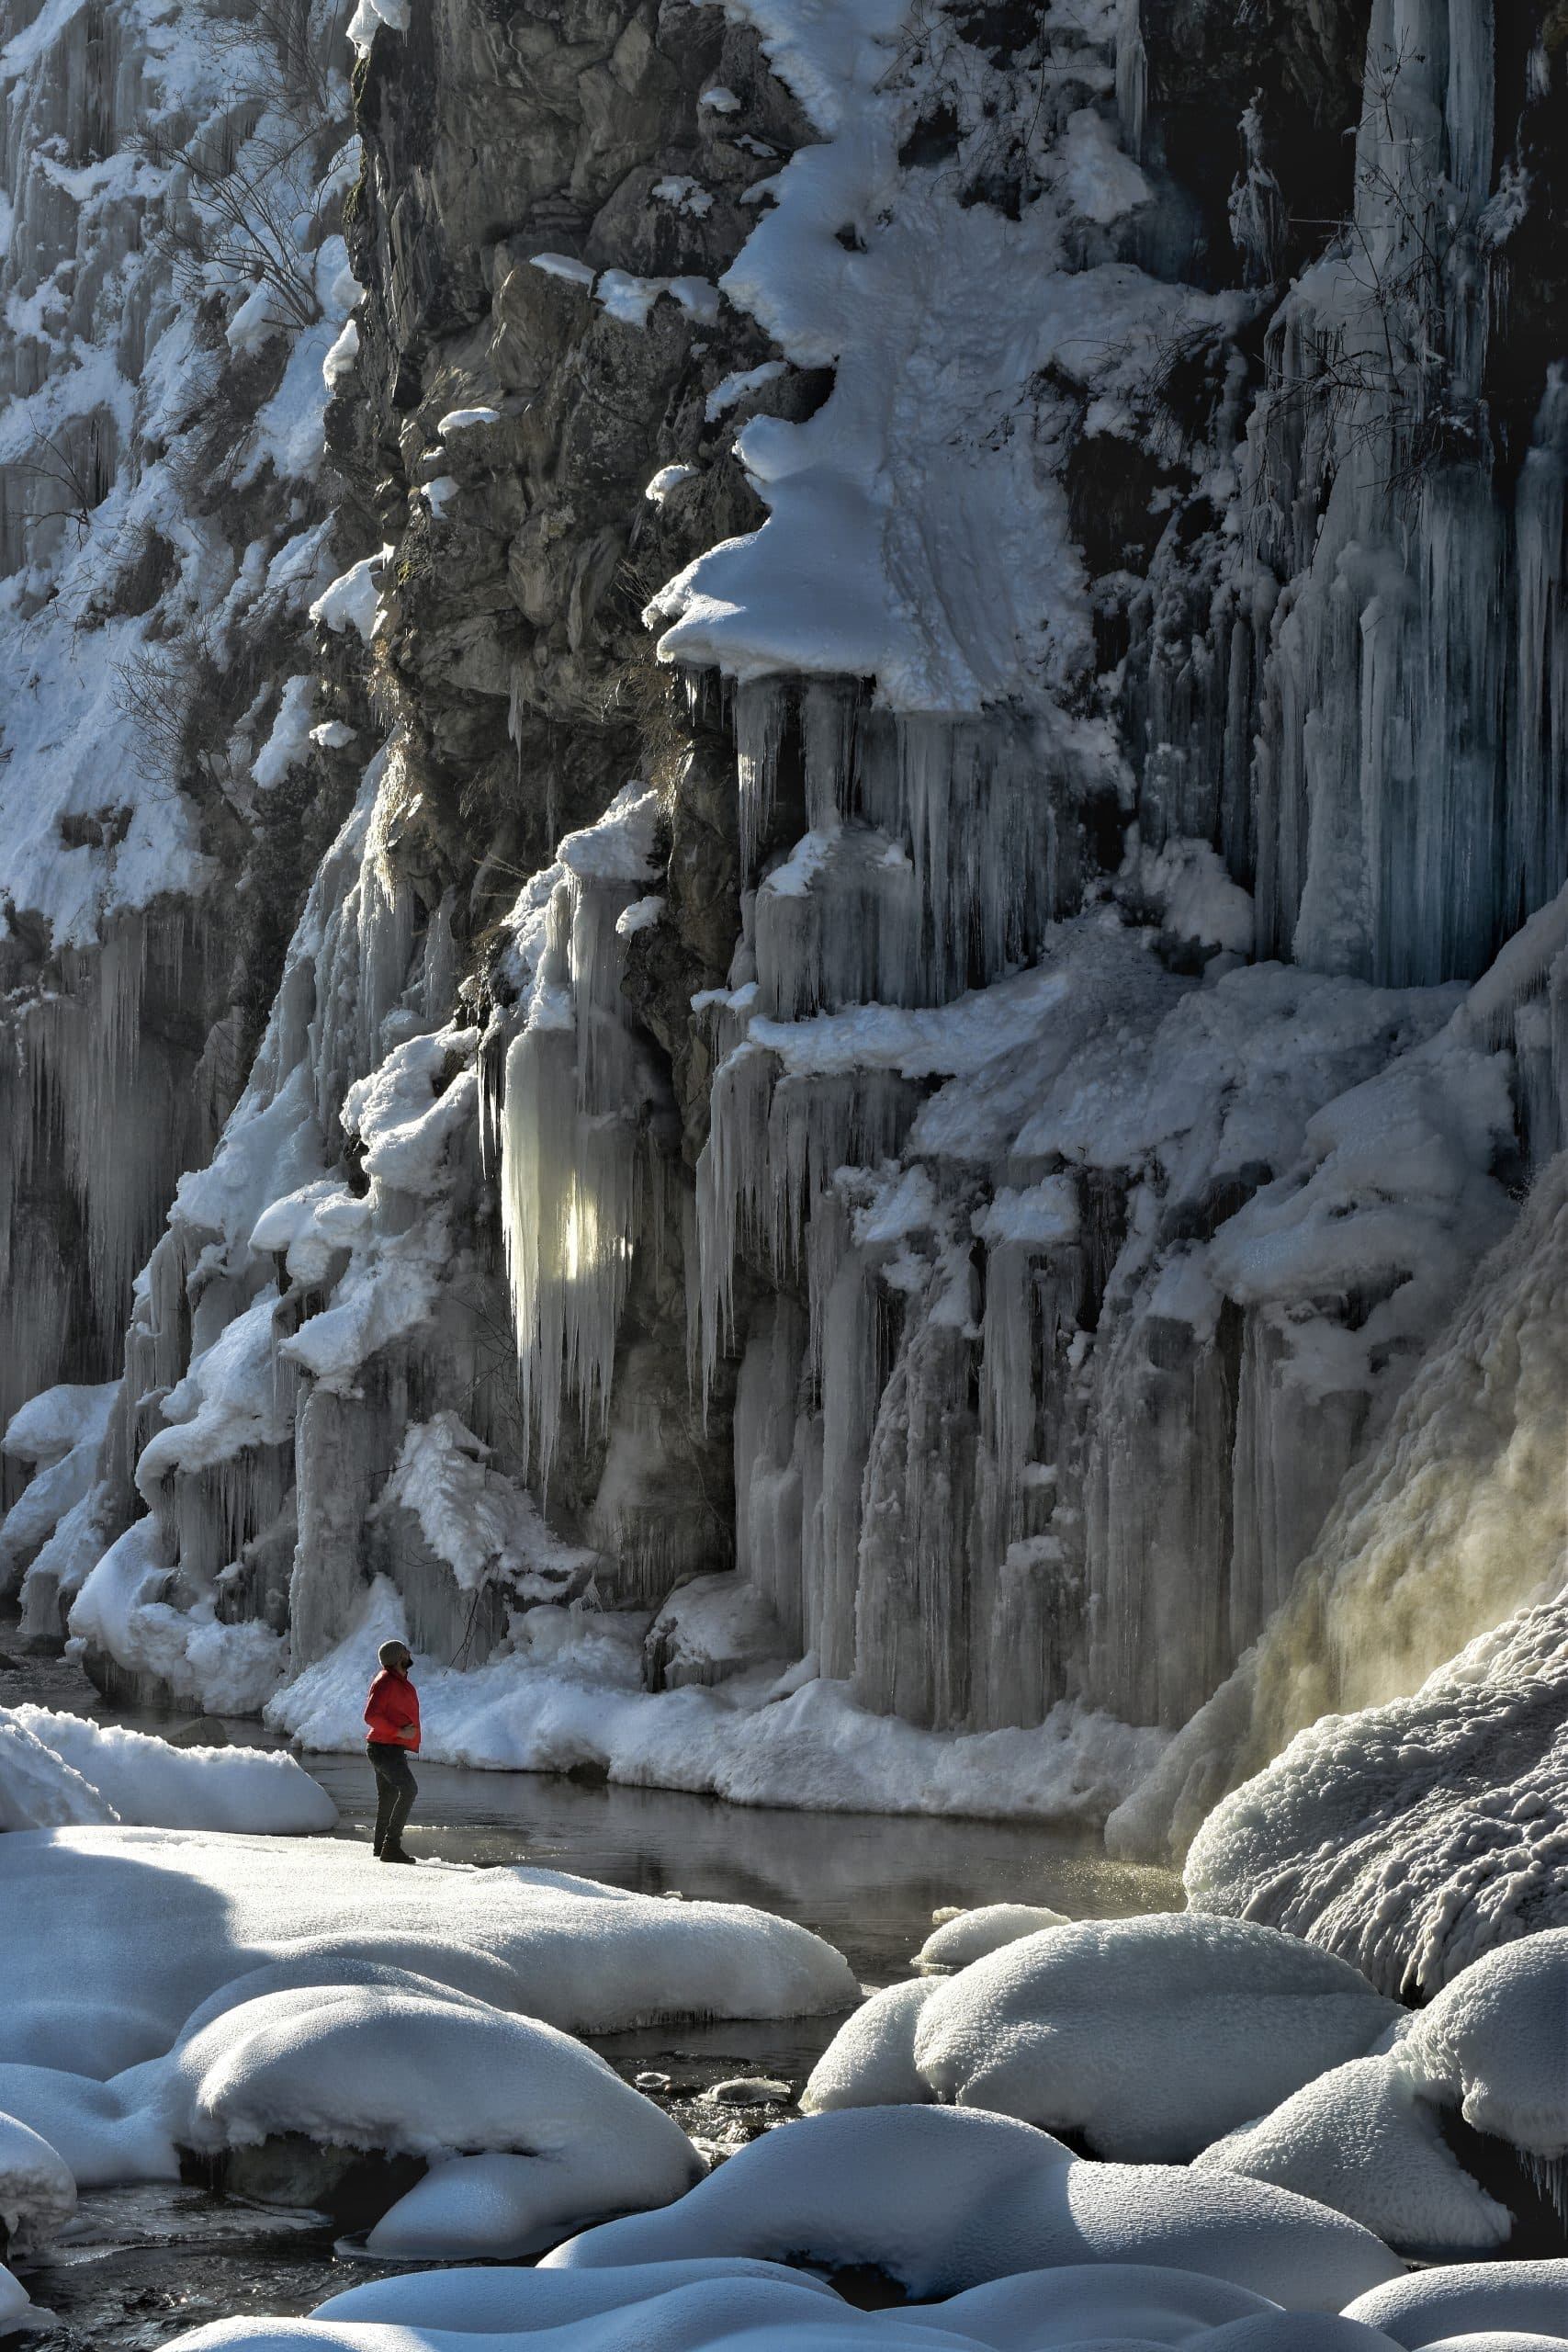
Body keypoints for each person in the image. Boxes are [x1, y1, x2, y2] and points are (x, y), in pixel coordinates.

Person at [364, 1639, 420, 1863]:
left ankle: (381, 1847)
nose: (409, 1652)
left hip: (387, 1748)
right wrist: (399, 1731)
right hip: (384, 1748)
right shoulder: (386, 1681)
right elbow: (370, 1716)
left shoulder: (395, 1680)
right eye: (405, 1650)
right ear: (399, 1657)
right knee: (409, 1789)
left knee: (388, 1796)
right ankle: (391, 1846)